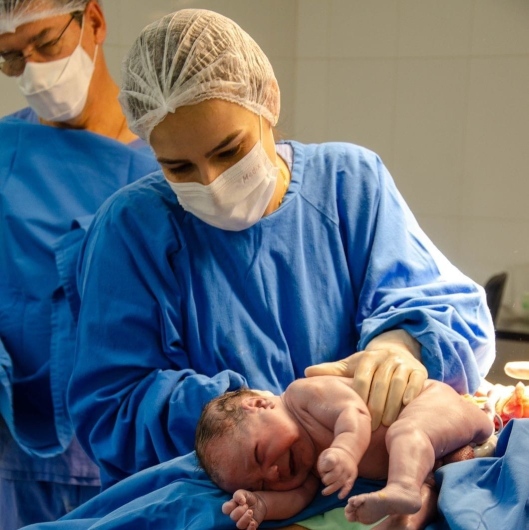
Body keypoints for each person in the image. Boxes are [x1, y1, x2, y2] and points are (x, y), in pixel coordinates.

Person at [61, 7, 494, 528]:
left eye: (229, 150)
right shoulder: (132, 229)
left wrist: (402, 345)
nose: (212, 181)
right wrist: (240, 417)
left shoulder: (348, 182)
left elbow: (450, 312)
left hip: (371, 489)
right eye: (179, 166)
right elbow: (111, 408)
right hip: (224, 506)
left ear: (266, 100)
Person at [0, 1, 159, 528]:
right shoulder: (5, 152)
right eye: (12, 58)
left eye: (46, 44)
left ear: (93, 20)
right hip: (16, 459)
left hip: (141, 452)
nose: (34, 72)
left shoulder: (175, 159)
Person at [196, 376, 494, 530]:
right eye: (262, 483)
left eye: (260, 455)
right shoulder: (307, 465)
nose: (274, 473)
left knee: (405, 432)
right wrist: (262, 504)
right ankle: (411, 504)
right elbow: (300, 498)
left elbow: (354, 412)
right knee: (427, 482)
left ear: (260, 405)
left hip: (434, 404)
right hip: (433, 456)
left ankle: (403, 488)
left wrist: (345, 449)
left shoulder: (302, 396)